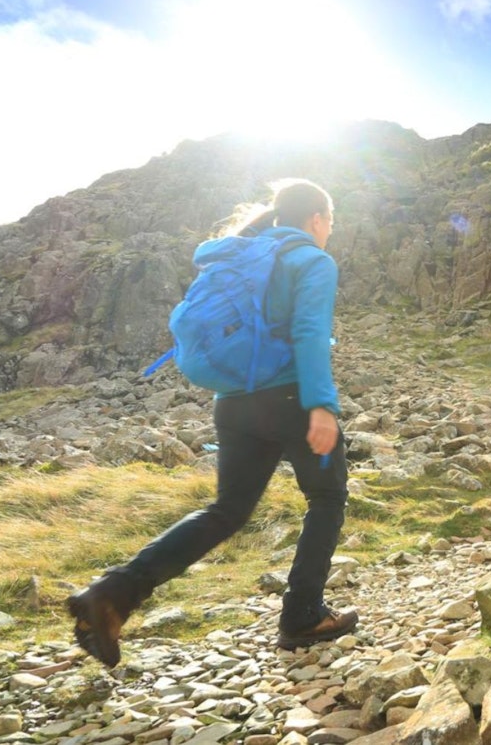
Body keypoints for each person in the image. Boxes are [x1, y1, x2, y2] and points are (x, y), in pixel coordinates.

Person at [67, 178, 357, 666]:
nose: (329, 230)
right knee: (327, 497)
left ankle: (115, 594)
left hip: (234, 402)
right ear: (317, 219)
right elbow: (310, 332)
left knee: (225, 511)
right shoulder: (312, 260)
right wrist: (322, 405)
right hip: (289, 397)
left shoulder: (240, 257)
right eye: (330, 222)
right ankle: (302, 615)